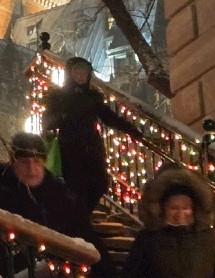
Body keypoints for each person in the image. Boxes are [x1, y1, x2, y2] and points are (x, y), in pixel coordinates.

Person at [0, 132, 122, 278]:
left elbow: (86, 236)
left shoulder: (63, 198)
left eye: (37, 162)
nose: (31, 169)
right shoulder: (0, 197)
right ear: (13, 163)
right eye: (24, 162)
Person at [43, 56, 144, 214]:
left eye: (84, 72)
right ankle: (80, 219)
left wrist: (132, 130)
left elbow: (109, 117)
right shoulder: (58, 97)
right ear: (70, 73)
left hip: (92, 144)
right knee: (77, 185)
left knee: (100, 183)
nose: (81, 76)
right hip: (70, 145)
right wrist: (62, 118)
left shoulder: (93, 96)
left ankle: (83, 215)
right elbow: (48, 121)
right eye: (77, 71)